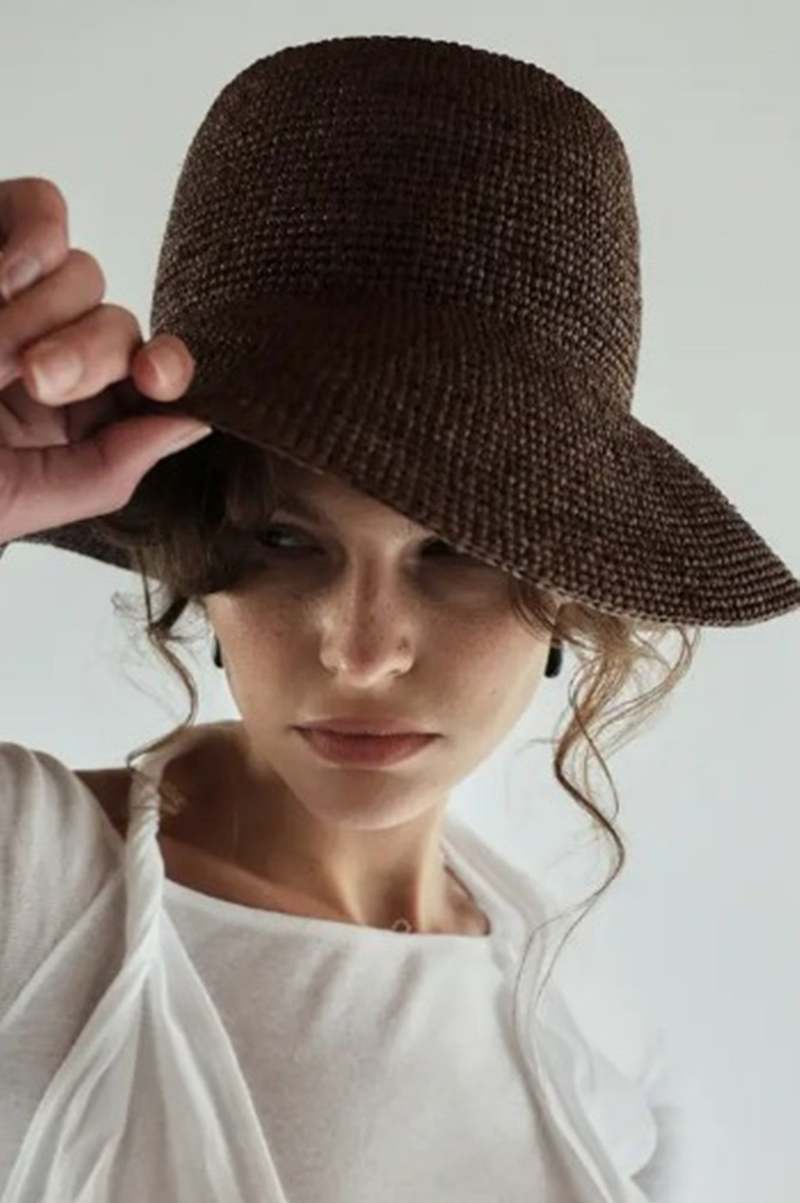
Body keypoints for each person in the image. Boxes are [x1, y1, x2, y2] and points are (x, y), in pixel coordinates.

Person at [1, 34, 798, 1203]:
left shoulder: (586, 1024)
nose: (362, 650)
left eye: (453, 554)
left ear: (568, 592)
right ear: (199, 558)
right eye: (286, 541)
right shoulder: (34, 890)